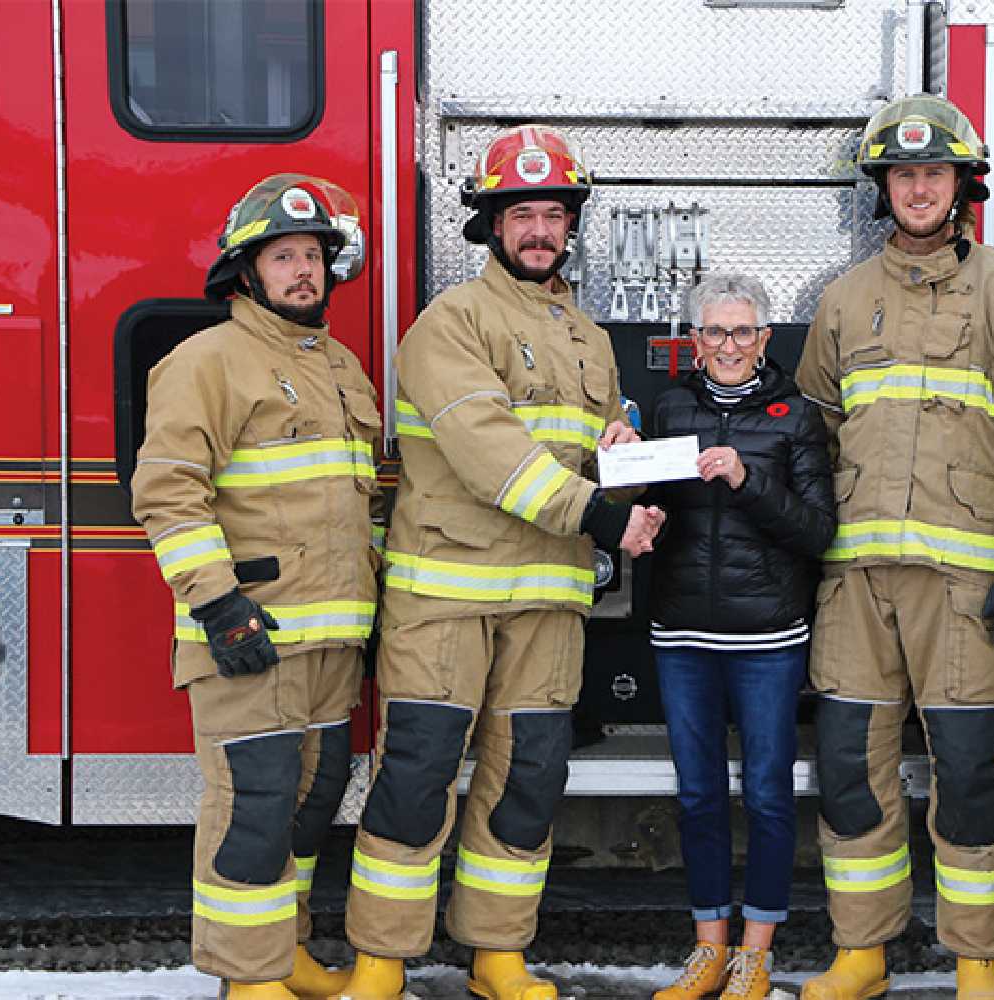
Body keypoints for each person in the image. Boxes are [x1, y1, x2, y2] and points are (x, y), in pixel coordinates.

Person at [335, 124, 662, 1000]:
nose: (540, 231)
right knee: (416, 776)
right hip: (445, 599)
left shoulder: (589, 336)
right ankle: (380, 961)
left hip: (549, 604)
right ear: (489, 224)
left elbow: (584, 457)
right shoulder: (449, 323)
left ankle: (498, 954)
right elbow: (491, 454)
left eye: (554, 213)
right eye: (522, 213)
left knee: (530, 777)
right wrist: (597, 511)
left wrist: (623, 465)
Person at [795, 94, 994, 1000]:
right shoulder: (843, 299)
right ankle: (861, 951)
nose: (918, 189)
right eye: (903, 174)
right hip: (855, 588)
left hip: (964, 585)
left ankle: (977, 962)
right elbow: (813, 436)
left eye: (934, 173)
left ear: (962, 186)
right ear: (884, 189)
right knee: (848, 769)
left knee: (967, 774)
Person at [131, 175, 380, 1000]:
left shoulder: (339, 366)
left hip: (329, 644)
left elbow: (359, 501)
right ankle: (249, 980)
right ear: (247, 270)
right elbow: (167, 491)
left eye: (313, 256)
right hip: (250, 636)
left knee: (312, 804)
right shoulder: (206, 362)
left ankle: (288, 952)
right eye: (284, 257)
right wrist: (219, 606)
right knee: (253, 809)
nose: (304, 271)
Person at [645, 274, 837, 1000]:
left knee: (766, 794)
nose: (728, 346)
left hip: (768, 636)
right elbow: (647, 504)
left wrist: (747, 478)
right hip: (682, 632)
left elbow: (819, 531)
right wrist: (624, 464)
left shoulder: (796, 418)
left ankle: (755, 954)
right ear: (695, 341)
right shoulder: (670, 407)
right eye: (714, 333)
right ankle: (707, 949)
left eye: (743, 333)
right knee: (696, 795)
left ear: (765, 340)